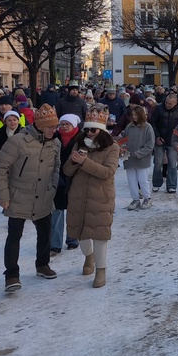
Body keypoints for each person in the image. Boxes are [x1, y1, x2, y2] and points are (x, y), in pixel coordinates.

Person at [0, 103, 61, 292]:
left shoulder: (55, 142)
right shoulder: (18, 141)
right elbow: (0, 168)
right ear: (39, 124)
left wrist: (52, 187)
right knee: (14, 235)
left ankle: (42, 264)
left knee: (45, 232)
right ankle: (12, 275)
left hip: (44, 194)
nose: (54, 130)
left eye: (55, 127)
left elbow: (56, 167)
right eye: (50, 127)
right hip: (19, 195)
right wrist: (3, 195)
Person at [64, 108, 121, 288]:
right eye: (86, 129)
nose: (89, 133)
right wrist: (73, 162)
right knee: (80, 234)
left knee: (99, 235)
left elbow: (108, 172)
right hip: (78, 196)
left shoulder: (112, 147)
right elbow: (66, 171)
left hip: (101, 196)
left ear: (101, 130)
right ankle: (89, 256)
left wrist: (85, 163)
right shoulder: (79, 144)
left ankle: (101, 270)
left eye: (93, 130)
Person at [52, 114, 81, 253]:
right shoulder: (54, 136)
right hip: (57, 176)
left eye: (67, 124)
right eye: (62, 124)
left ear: (74, 125)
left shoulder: (80, 138)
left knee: (73, 209)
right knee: (57, 209)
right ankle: (55, 243)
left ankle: (72, 238)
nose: (64, 126)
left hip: (75, 176)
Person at [120, 104, 155, 210]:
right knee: (131, 180)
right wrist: (122, 148)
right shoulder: (129, 127)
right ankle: (135, 199)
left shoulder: (147, 127)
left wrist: (139, 153)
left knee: (143, 179)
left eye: (136, 114)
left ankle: (147, 198)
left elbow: (150, 144)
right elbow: (124, 140)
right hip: (129, 158)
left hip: (141, 159)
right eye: (133, 114)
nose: (134, 117)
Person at [150, 91, 178, 194]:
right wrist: (157, 136)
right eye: (166, 102)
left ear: (175, 103)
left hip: (172, 141)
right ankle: (156, 183)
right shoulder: (158, 108)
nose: (167, 105)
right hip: (159, 139)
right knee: (158, 163)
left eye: (170, 103)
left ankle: (171, 185)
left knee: (172, 164)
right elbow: (153, 123)